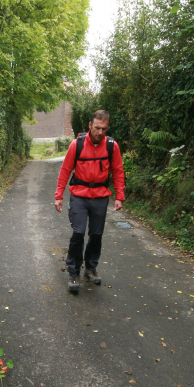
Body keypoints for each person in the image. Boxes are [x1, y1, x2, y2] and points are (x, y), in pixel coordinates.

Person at [54, 110, 125, 292]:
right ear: (90, 126)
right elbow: (65, 170)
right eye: (97, 128)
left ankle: (91, 267)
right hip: (79, 195)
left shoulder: (112, 146)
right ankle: (73, 271)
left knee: (96, 234)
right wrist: (59, 195)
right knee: (78, 233)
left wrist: (119, 196)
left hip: (100, 196)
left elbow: (117, 171)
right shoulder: (76, 145)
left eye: (104, 129)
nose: (100, 132)